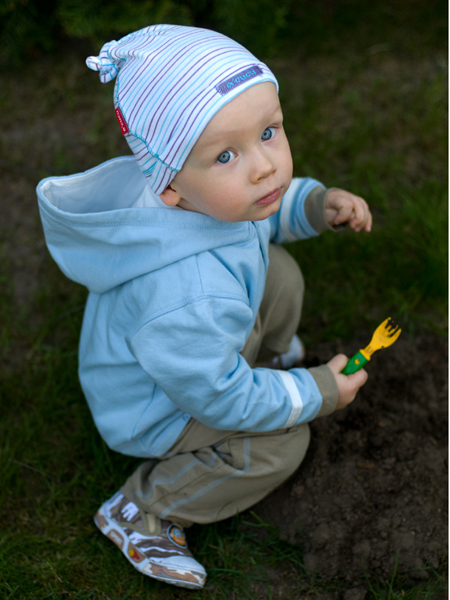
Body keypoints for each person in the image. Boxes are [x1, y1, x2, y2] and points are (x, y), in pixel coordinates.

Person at [37, 24, 371, 590]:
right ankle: (145, 508)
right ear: (171, 187)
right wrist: (315, 393)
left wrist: (316, 205)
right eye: (226, 154)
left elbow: (263, 209)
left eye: (269, 132)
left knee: (281, 273)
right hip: (162, 404)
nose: (264, 167)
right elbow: (217, 395)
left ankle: (270, 370)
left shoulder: (210, 195)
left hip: (193, 354)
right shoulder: (185, 292)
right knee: (284, 442)